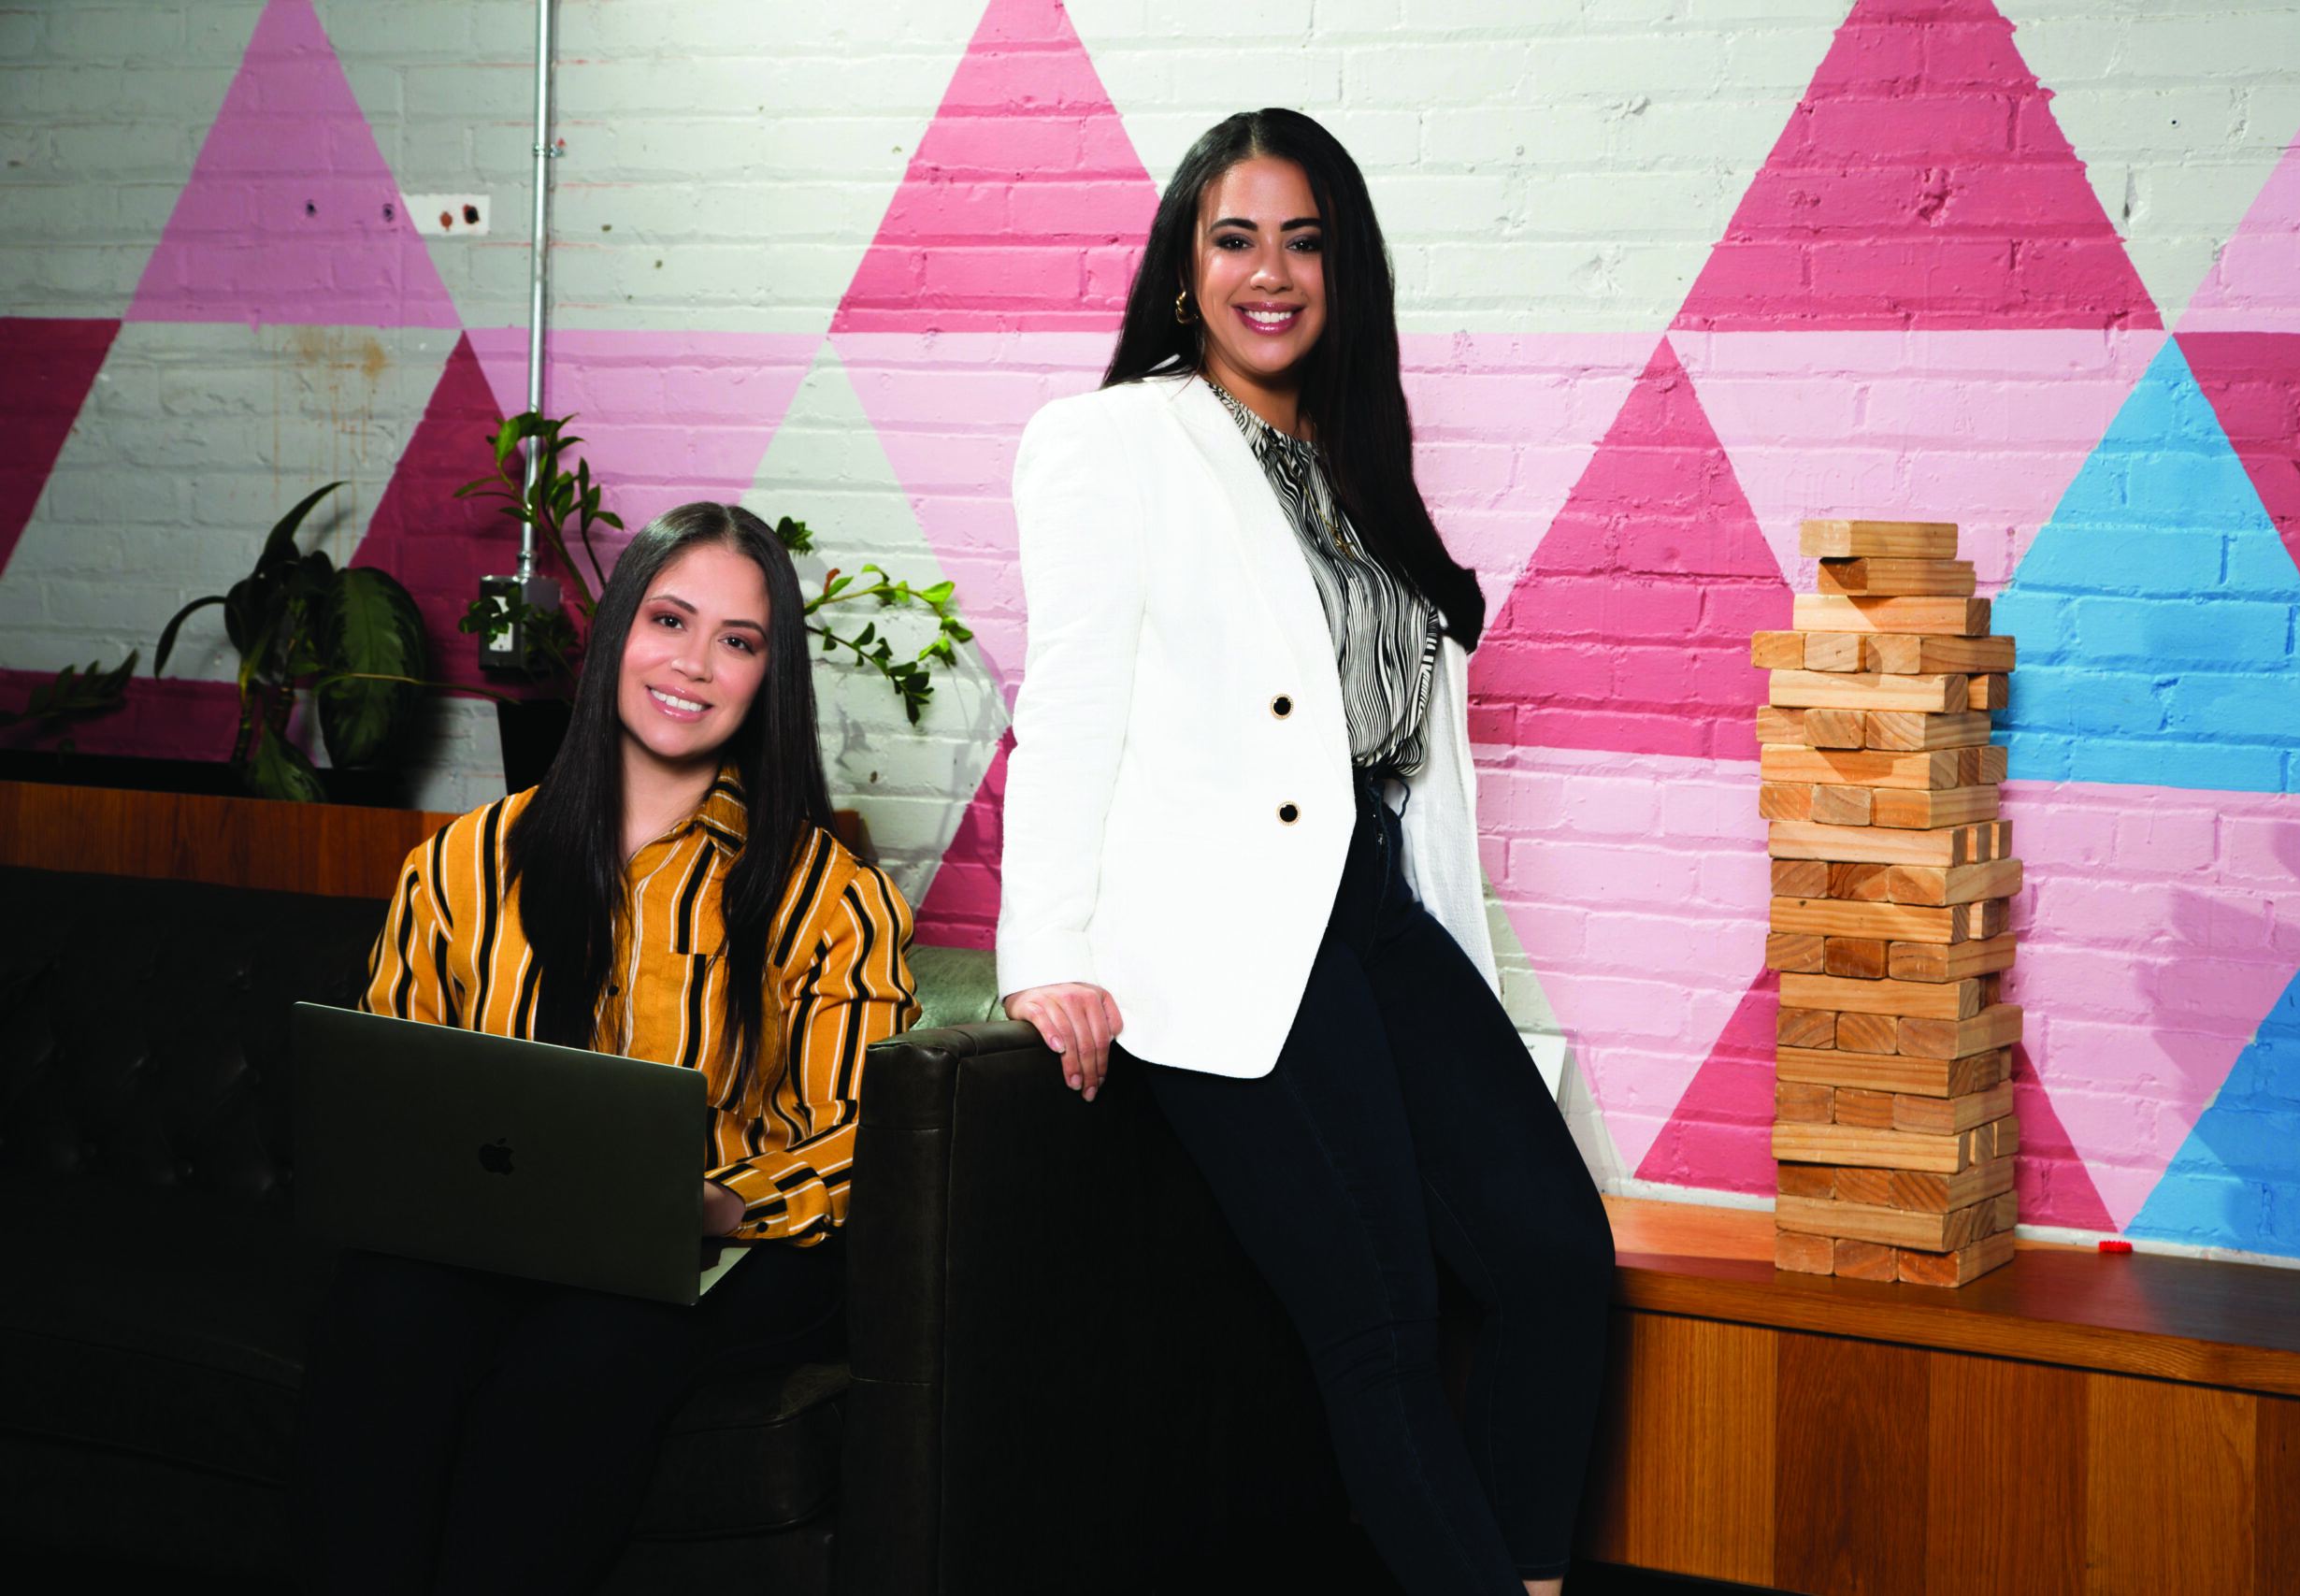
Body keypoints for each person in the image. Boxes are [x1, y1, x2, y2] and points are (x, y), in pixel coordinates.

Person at [998, 109, 1616, 1595]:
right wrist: (1048, 952)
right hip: (1224, 940)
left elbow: (1401, 749)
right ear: (1182, 268)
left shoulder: (1358, 465)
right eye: (1234, 237)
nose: (1269, 271)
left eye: (1305, 238)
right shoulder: (1114, 441)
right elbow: (1071, 697)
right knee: (1384, 1326)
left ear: (1345, 268)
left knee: (1555, 1264)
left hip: (1383, 921)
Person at [294, 502, 918, 1594]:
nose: (693, 664)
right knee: (384, 1312)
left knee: (594, 1341)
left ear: (771, 678)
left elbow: (862, 1142)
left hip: (724, 1252)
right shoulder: (462, 861)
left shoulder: (831, 896)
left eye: (738, 641)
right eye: (669, 620)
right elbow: (393, 1093)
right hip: (492, 1238)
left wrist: (720, 1205)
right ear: (617, 631)